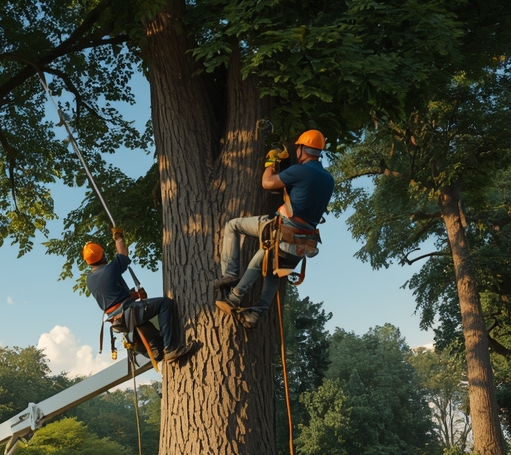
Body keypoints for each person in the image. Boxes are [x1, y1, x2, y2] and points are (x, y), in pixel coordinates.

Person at [215, 129, 335, 329]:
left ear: (302, 149)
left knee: (233, 225)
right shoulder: (328, 179)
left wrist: (271, 161)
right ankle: (255, 314)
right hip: (303, 240)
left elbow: (268, 183)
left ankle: (232, 283)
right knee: (275, 272)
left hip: (283, 228)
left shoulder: (300, 171)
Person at [85, 229, 199, 365]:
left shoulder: (89, 280)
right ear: (103, 256)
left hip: (118, 320)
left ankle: (158, 349)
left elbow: (112, 298)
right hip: (129, 312)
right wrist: (119, 238)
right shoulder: (110, 269)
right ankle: (171, 348)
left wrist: (133, 296)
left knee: (152, 338)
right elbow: (123, 255)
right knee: (164, 304)